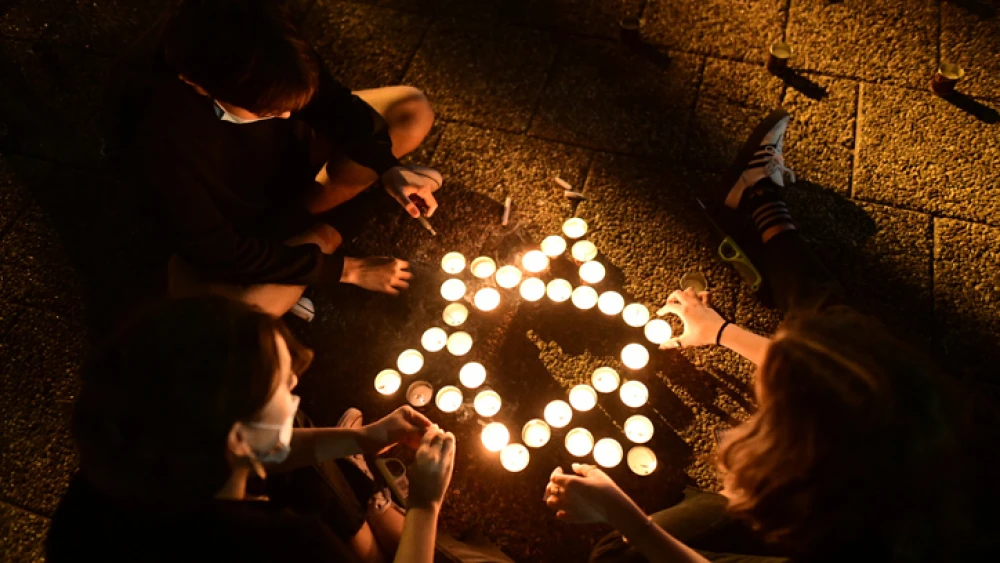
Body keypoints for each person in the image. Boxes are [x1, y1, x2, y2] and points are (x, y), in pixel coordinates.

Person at [542, 111, 973, 562]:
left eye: (766, 419)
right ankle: (759, 197)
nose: (744, 427)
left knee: (612, 557)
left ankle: (714, 511)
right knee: (835, 326)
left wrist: (623, 513)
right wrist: (721, 331)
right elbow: (830, 370)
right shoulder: (929, 433)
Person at [45, 296, 505, 563]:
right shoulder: (283, 547)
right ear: (238, 437)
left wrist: (363, 439)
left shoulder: (113, 477)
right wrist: (425, 504)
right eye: (284, 385)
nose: (297, 388)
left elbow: (258, 443)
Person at [111, 0, 442, 320]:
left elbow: (331, 103)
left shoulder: (264, 40)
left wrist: (387, 167)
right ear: (197, 84)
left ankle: (324, 215)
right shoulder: (157, 141)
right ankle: (335, 225)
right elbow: (222, 251)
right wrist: (348, 270)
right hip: (237, 224)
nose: (287, 115)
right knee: (252, 307)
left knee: (412, 110)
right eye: (266, 110)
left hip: (294, 177)